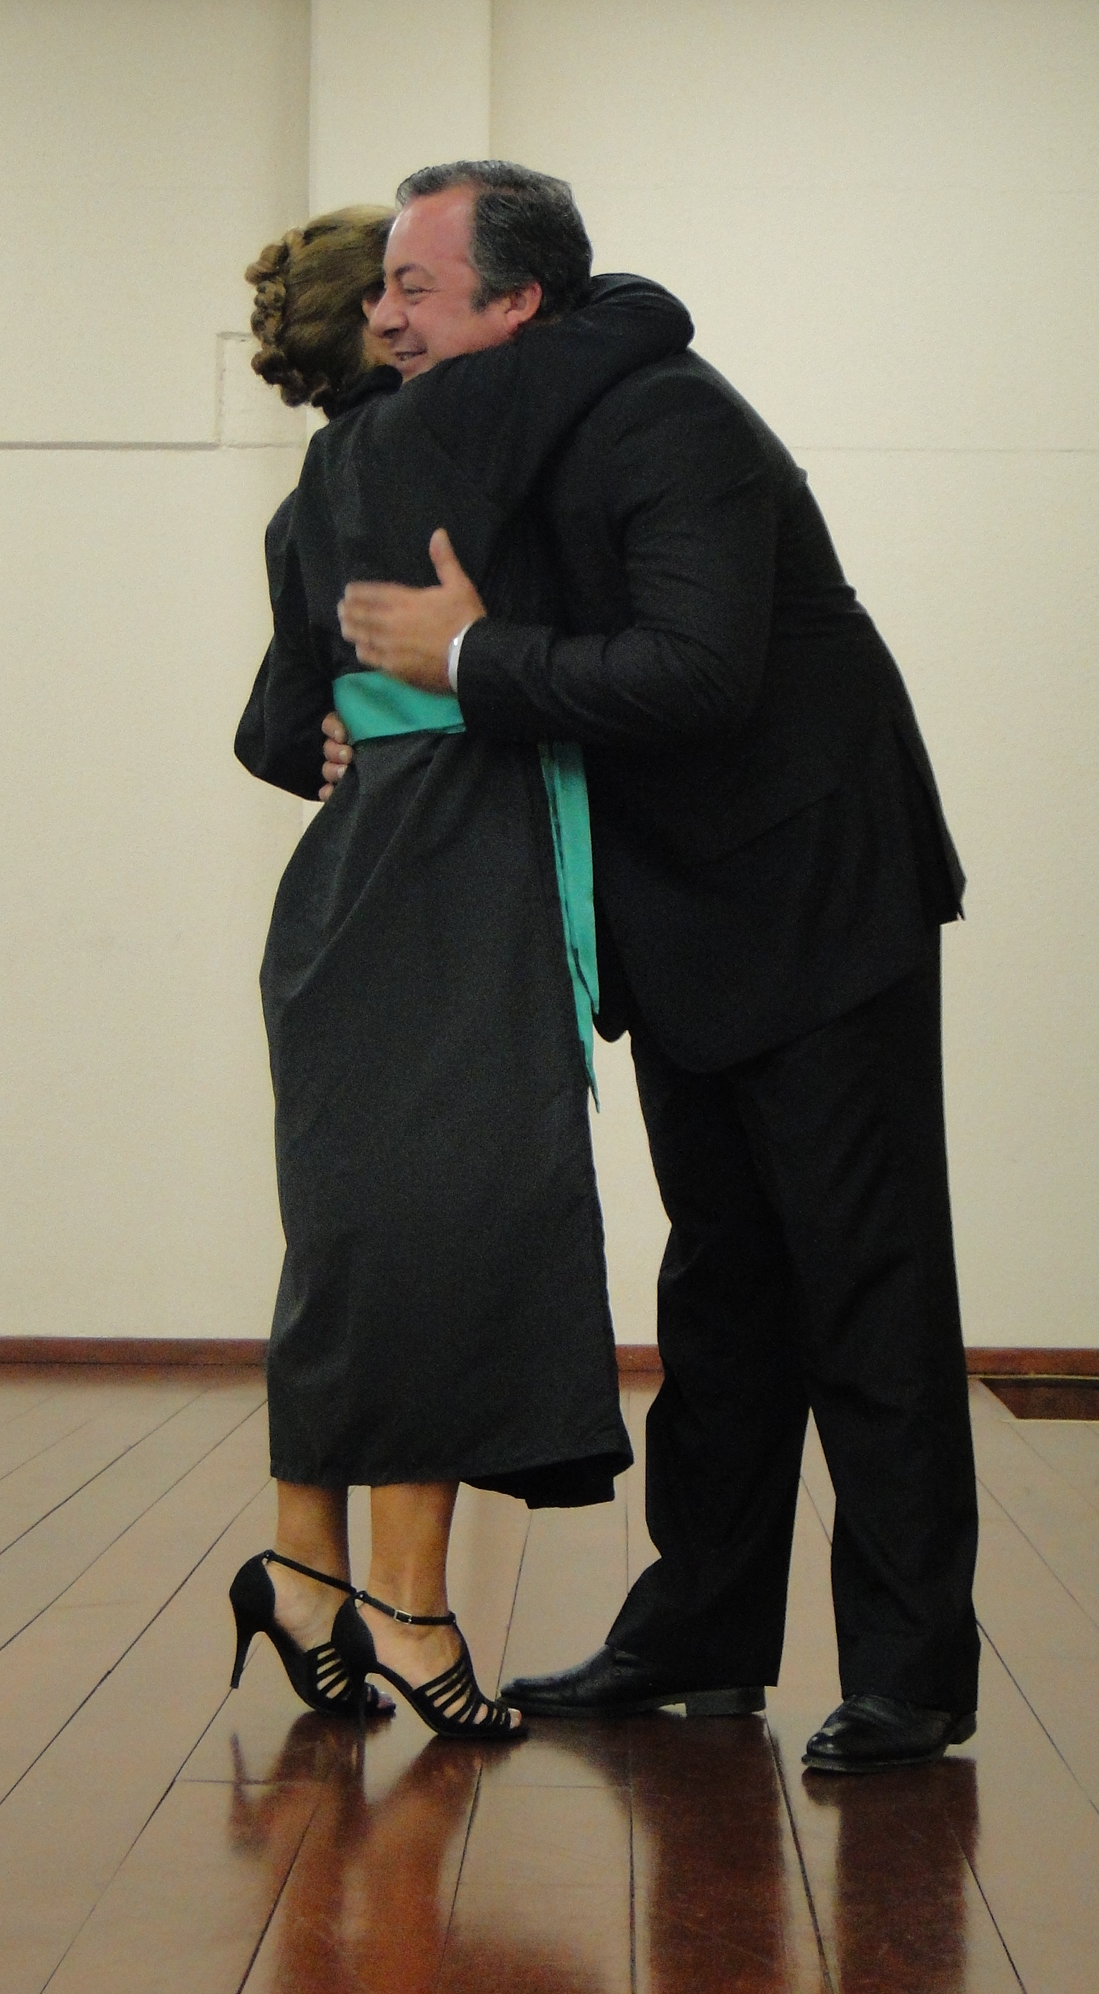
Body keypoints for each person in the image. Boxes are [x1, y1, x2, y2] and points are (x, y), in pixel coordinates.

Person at [333, 162, 981, 1773]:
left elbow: (694, 672)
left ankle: (913, 1672)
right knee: (723, 1287)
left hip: (817, 899)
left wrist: (465, 660)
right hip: (682, 909)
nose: (384, 316)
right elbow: (388, 654)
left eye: (415, 286)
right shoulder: (509, 426)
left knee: (867, 1286)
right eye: (385, 287)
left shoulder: (663, 421)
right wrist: (348, 733)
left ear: (516, 302)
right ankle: (701, 1632)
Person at [230, 204, 695, 1738]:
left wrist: (349, 736)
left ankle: (307, 1573)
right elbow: (642, 313)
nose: (416, 308)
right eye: (400, 286)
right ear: (379, 322)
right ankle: (405, 1607)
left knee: (361, 1244)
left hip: (359, 884)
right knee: (437, 1235)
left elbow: (271, 730)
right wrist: (539, 291)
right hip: (447, 874)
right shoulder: (451, 422)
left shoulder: (320, 482)